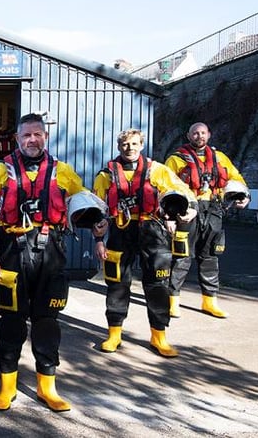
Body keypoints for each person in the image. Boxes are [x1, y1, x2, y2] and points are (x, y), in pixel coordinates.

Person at [0, 113, 107, 413]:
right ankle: (7, 388)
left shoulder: (63, 172)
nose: (32, 140)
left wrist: (99, 224)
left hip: (51, 253)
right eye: (26, 136)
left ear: (45, 137)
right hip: (10, 253)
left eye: (37, 134)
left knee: (47, 322)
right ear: (17, 139)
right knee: (10, 322)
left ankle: (47, 388)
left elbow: (84, 202)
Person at [92, 129, 196, 357]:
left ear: (141, 145)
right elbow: (98, 210)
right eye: (125, 144)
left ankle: (159, 337)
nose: (130, 148)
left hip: (152, 230)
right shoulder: (106, 175)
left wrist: (191, 210)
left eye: (134, 144)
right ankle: (114, 334)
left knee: (158, 285)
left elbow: (183, 191)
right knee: (117, 283)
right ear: (119, 147)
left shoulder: (157, 170)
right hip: (120, 231)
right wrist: (99, 240)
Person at [165, 122, 250, 318]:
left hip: (213, 209)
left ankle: (209, 301)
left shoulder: (220, 158)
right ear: (188, 135)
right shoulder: (175, 160)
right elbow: (166, 187)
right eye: (195, 133)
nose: (199, 136)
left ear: (209, 135)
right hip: (187, 210)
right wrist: (169, 216)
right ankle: (172, 301)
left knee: (210, 256)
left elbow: (236, 178)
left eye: (203, 133)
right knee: (181, 256)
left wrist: (244, 196)